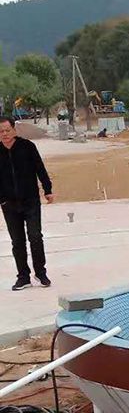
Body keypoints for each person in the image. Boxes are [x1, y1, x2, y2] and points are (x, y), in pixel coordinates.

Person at [0, 115, 54, 290]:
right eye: (1, 131)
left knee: (35, 237)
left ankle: (41, 272)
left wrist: (48, 189)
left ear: (14, 130)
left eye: (7, 130)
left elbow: (40, 168)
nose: (5, 134)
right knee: (17, 241)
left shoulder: (27, 147)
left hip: (30, 201)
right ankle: (23, 277)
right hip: (9, 204)